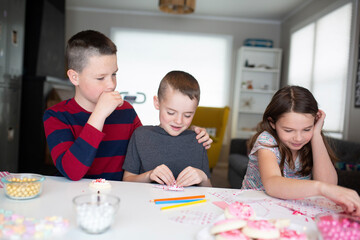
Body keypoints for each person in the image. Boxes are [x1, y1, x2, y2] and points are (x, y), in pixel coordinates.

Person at [43, 30, 212, 181]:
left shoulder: (126, 111)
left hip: (122, 198)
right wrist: (99, 115)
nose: (111, 84)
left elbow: (150, 141)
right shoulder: (56, 116)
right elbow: (72, 171)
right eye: (101, 78)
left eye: (114, 74)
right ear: (74, 77)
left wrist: (190, 131)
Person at [242, 85, 360, 216]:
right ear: (272, 123)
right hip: (254, 210)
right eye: (288, 130)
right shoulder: (266, 140)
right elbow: (272, 184)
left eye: (306, 129)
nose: (298, 138)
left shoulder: (311, 140)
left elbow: (329, 183)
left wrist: (315, 134)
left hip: (290, 211)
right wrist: (320, 188)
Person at [122, 70, 212, 187]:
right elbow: (127, 180)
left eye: (187, 115)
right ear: (157, 103)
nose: (179, 121)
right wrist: (149, 175)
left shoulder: (198, 139)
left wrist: (203, 178)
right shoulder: (140, 136)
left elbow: (209, 189)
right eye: (171, 112)